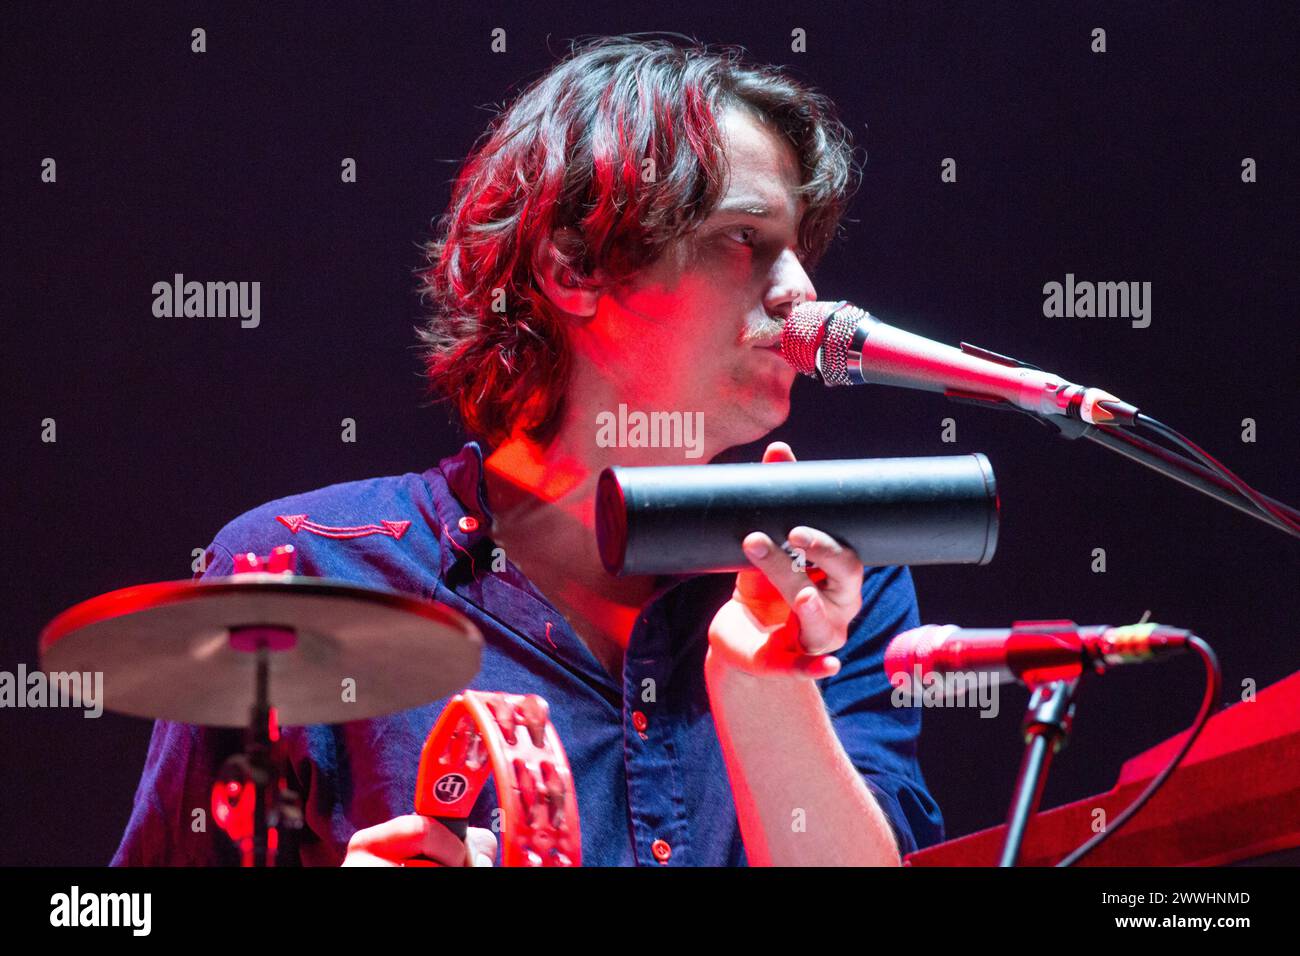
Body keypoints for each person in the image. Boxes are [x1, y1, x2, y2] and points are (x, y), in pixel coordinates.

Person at [112, 35, 944, 867]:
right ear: (572, 267)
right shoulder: (305, 568)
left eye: (800, 246)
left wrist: (764, 685)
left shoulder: (826, 579)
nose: (801, 290)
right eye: (742, 238)